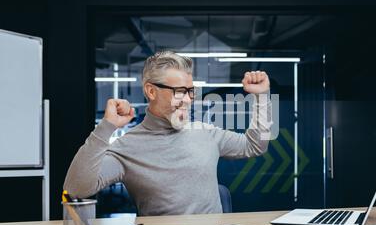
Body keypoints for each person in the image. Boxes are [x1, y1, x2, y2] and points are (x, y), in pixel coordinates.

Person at [63, 51, 272, 215]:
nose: (189, 100)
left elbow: (255, 145)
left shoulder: (205, 133)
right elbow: (77, 188)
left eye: (190, 91)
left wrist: (262, 97)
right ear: (151, 91)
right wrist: (106, 126)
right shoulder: (127, 147)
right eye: (180, 91)